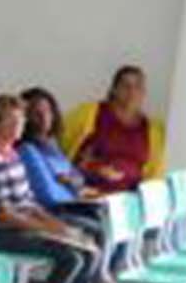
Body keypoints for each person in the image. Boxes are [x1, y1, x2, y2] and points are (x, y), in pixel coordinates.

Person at [0, 94, 99, 283]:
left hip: (21, 226)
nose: (17, 127)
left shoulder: (13, 155)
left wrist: (57, 226)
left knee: (89, 250)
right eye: (11, 122)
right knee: (71, 258)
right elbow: (3, 213)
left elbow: (29, 202)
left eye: (20, 121)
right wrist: (45, 230)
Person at [64, 64, 165, 194]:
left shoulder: (154, 130)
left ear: (144, 92)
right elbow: (60, 148)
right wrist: (94, 168)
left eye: (138, 87)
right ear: (114, 89)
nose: (132, 92)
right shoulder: (89, 113)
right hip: (85, 194)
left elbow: (154, 175)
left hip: (127, 202)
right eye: (126, 86)